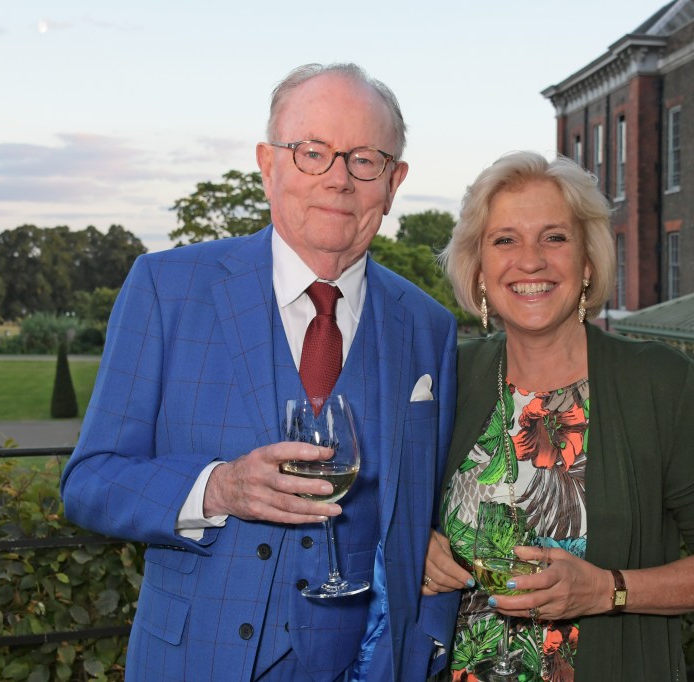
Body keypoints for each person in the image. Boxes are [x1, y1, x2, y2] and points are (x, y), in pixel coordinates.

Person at [60, 63, 460, 681]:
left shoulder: (427, 326)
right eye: (313, 153)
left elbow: (423, 522)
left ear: (394, 180)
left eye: (364, 159)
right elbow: (90, 481)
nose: (338, 179)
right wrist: (216, 487)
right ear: (268, 165)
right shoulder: (167, 288)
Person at [425, 151, 694, 681]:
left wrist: (608, 590)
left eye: (554, 237)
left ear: (587, 262)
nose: (529, 260)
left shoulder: (658, 383)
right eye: (504, 239)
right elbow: (388, 509)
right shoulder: (448, 376)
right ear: (479, 269)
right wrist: (417, 548)